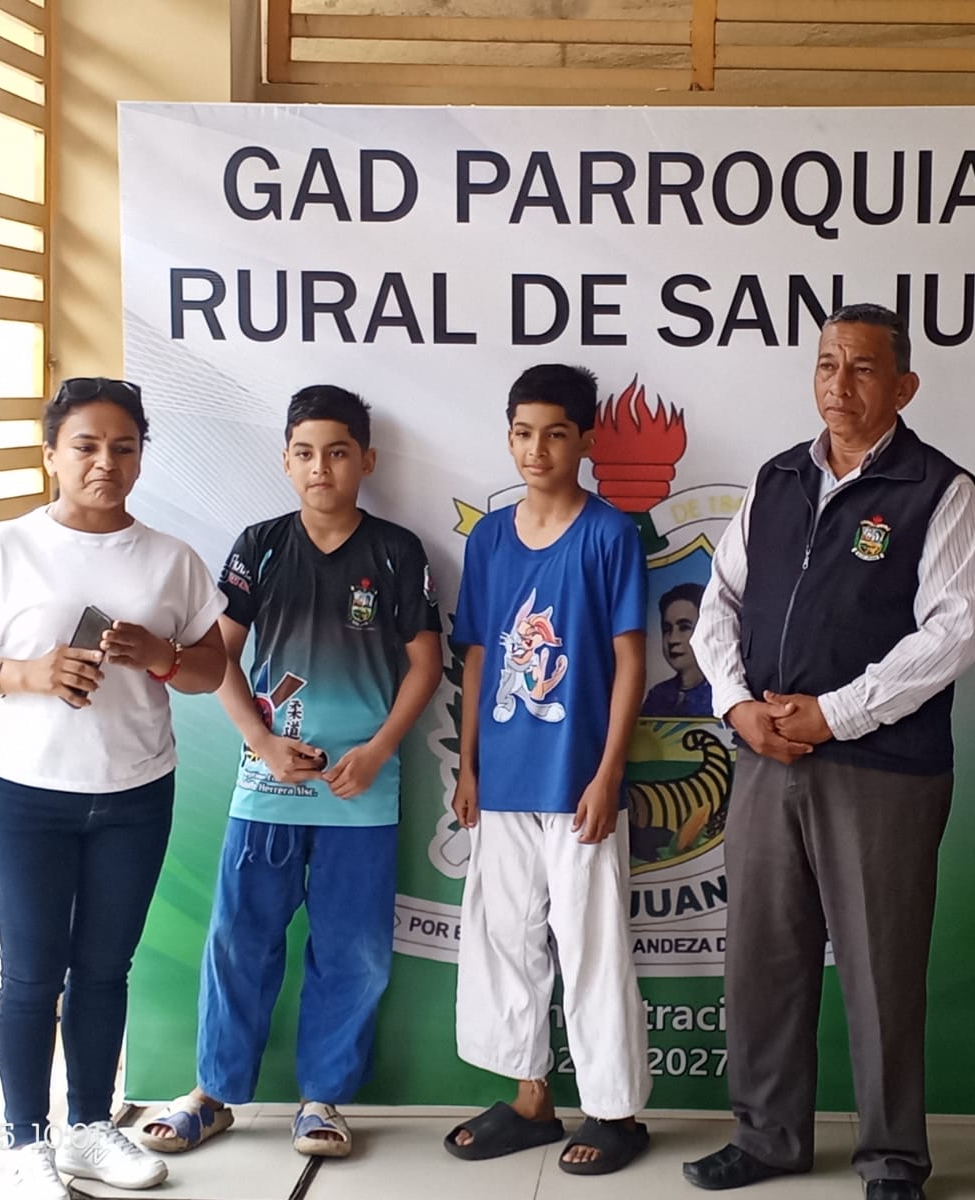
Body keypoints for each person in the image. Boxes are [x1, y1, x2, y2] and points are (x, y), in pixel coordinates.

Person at [682, 303, 975, 1199]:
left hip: (880, 771)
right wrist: (737, 706)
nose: (839, 384)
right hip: (764, 758)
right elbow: (718, 603)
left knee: (880, 968)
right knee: (763, 960)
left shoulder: (940, 490)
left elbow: (953, 634)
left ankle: (892, 1159)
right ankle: (768, 1137)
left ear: (904, 386)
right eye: (826, 364)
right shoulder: (778, 478)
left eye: (862, 368)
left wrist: (836, 715)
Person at [0, 378, 228, 1199]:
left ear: (141, 458)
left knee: (103, 967)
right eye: (86, 446)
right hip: (29, 791)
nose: (105, 463)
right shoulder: (5, 548)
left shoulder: (171, 558)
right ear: (51, 454)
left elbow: (210, 670)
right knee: (30, 972)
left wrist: (160, 655)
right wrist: (24, 673)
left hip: (135, 792)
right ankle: (27, 1141)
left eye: (123, 447)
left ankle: (92, 1127)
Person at [136, 386, 443, 1159]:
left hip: (359, 792)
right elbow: (218, 656)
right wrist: (261, 741)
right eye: (304, 453)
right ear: (284, 460)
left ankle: (322, 1100)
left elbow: (426, 664)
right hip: (268, 787)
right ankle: (212, 1093)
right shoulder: (261, 545)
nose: (321, 468)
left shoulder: (396, 551)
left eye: (338, 452)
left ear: (367, 460)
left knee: (354, 952)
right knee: (239, 941)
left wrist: (378, 750)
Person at [444, 363, 652, 1176]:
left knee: (591, 947)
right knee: (505, 942)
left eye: (556, 434)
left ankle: (615, 1111)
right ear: (508, 438)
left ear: (586, 441)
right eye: (524, 433)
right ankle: (532, 1099)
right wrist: (468, 765)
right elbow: (475, 657)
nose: (537, 450)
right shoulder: (489, 539)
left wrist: (607, 774)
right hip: (502, 780)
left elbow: (629, 661)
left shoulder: (609, 535)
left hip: (577, 784)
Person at [641, 582, 712, 717]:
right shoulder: (658, 695)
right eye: (667, 629)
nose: (673, 640)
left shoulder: (719, 695)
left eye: (684, 628)